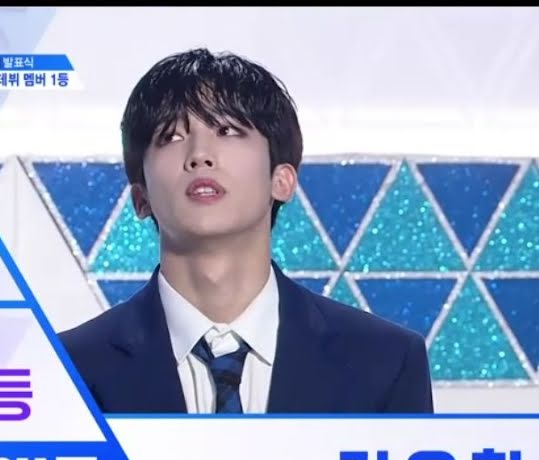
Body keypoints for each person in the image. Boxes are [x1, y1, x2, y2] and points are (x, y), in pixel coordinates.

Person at [59, 48, 433, 414]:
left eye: (227, 130)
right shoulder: (66, 369)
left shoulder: (386, 363)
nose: (200, 155)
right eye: (171, 136)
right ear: (141, 198)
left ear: (282, 180)